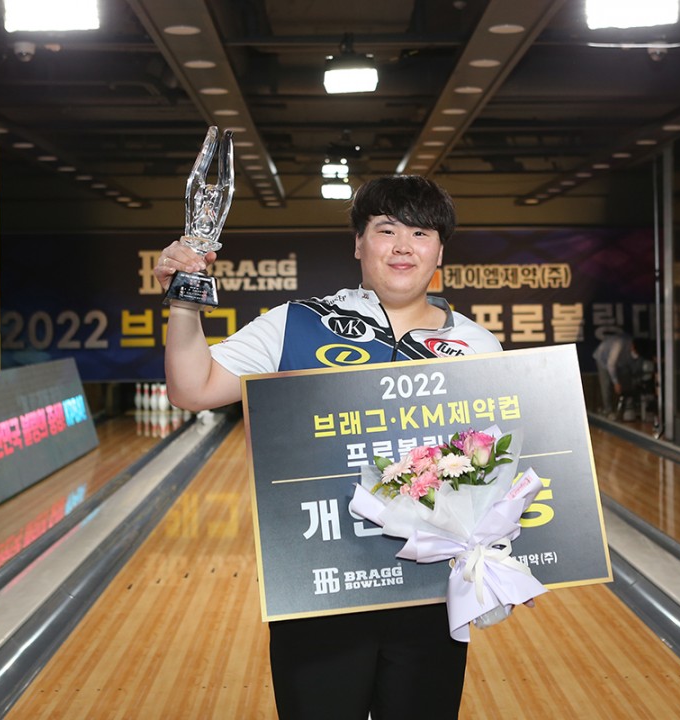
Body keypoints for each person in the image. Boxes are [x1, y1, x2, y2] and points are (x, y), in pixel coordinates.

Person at [154, 175, 502, 719]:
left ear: (440, 250)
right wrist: (183, 303)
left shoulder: (477, 346)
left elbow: (493, 469)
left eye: (421, 233)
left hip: (428, 593)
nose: (403, 246)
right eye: (386, 230)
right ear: (358, 243)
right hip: (318, 586)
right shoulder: (297, 323)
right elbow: (192, 389)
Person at [592, 333, 650, 420]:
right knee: (606, 384)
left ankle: (628, 407)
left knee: (626, 378)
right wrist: (616, 383)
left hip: (620, 362)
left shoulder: (636, 349)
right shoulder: (619, 344)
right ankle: (608, 410)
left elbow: (634, 368)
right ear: (632, 346)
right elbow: (611, 364)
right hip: (603, 359)